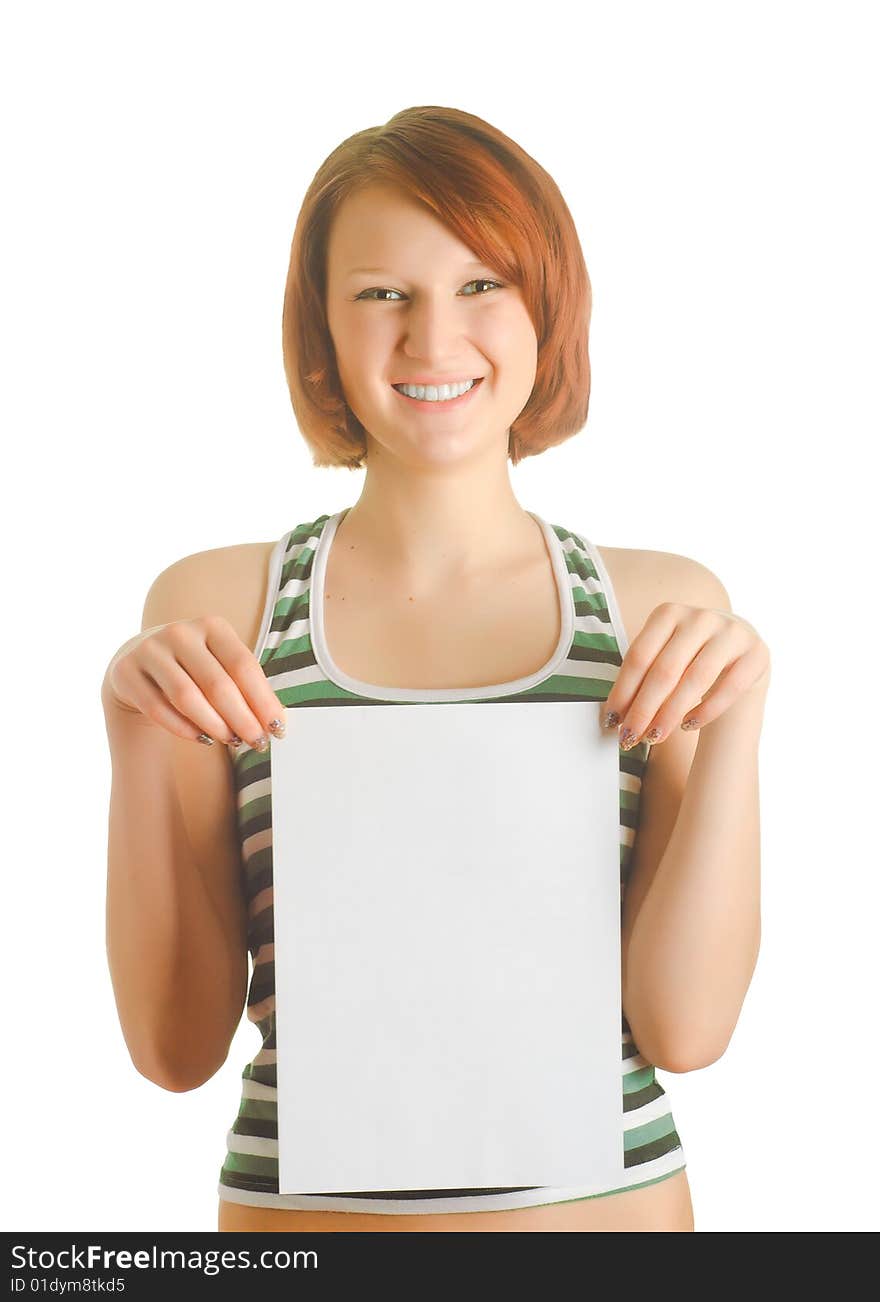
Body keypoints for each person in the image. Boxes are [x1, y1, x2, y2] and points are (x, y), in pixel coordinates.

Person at [102, 105, 770, 1233]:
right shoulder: (215, 612)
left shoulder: (664, 610)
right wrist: (129, 735)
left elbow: (686, 1030)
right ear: (319, 332)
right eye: (380, 294)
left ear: (548, 312)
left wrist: (741, 724)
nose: (431, 339)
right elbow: (173, 1049)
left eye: (480, 286)